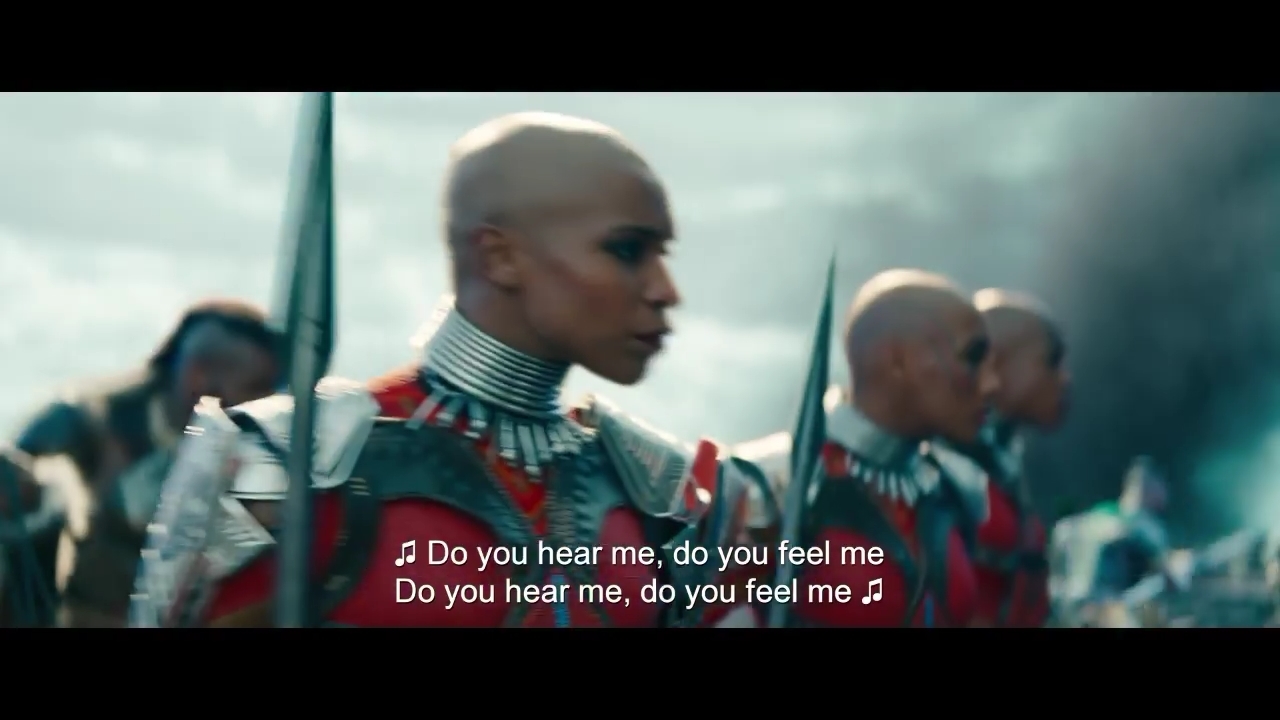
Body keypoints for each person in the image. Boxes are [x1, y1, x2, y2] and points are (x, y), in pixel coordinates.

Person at [130, 112, 762, 628]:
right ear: (501, 256)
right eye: (626, 250)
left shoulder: (669, 493)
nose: (664, 289)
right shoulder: (286, 459)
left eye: (661, 253)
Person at [740, 269, 999, 627]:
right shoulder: (773, 485)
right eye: (972, 357)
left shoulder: (958, 489)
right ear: (898, 360)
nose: (991, 384)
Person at [0, 299, 280, 627]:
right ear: (198, 378)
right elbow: (25, 535)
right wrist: (52, 495)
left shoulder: (253, 461)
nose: (267, 404)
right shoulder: (79, 427)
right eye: (256, 388)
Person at [931, 288, 1070, 627]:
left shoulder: (1002, 470)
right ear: (998, 361)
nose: (1064, 379)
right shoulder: (938, 474)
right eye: (1050, 360)